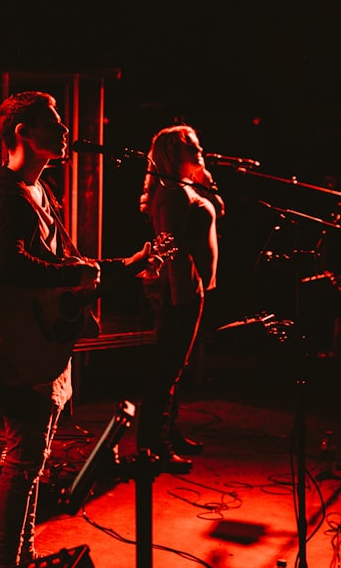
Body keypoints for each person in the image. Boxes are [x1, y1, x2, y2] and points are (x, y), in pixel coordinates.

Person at [0, 91, 161, 566]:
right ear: (23, 133)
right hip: (15, 344)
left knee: (33, 459)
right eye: (53, 123)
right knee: (22, 461)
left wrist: (126, 265)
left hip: (46, 340)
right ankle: (7, 563)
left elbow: (71, 264)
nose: (64, 132)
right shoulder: (5, 192)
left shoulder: (42, 192)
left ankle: (26, 553)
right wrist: (70, 276)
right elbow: (8, 262)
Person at [137, 124, 222, 464]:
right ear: (173, 154)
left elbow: (218, 210)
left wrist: (206, 183)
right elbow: (170, 248)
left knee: (175, 366)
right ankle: (155, 445)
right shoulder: (172, 193)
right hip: (180, 291)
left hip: (188, 288)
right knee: (167, 368)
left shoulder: (184, 187)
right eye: (193, 146)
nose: (200, 150)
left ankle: (167, 433)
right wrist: (178, 298)